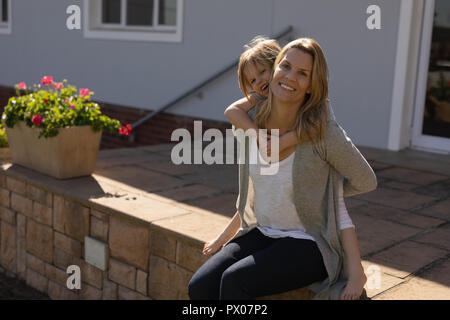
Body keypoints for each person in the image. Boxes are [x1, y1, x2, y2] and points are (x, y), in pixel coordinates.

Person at [188, 37, 377, 300]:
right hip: (263, 231)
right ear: (277, 67)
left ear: (313, 84)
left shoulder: (322, 131)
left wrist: (320, 196)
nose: (290, 76)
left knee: (234, 283)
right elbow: (254, 195)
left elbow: (366, 181)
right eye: (286, 67)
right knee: (199, 287)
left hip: (310, 243)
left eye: (303, 73)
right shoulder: (252, 125)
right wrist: (225, 236)